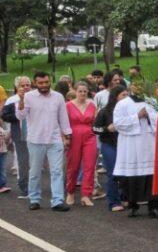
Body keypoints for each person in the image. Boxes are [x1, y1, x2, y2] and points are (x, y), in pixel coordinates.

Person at [18, 72, 72, 211]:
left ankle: (57, 201)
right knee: (35, 171)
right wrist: (21, 100)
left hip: (54, 140)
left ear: (50, 82)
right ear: (35, 83)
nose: (44, 85)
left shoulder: (58, 97)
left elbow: (63, 118)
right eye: (41, 83)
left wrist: (67, 135)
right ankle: (34, 199)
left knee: (57, 171)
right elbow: (21, 115)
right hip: (35, 139)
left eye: (46, 82)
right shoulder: (29, 96)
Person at [112, 80, 158, 217]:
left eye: (141, 85)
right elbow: (118, 123)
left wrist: (149, 116)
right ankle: (132, 206)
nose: (138, 88)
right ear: (131, 87)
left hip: (149, 143)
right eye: (136, 85)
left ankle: (154, 206)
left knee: (151, 175)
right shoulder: (122, 104)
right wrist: (137, 116)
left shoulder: (151, 101)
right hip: (131, 145)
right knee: (131, 175)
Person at [64, 80, 98, 207]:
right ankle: (70, 192)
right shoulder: (68, 105)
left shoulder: (92, 105)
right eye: (80, 91)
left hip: (90, 136)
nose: (83, 93)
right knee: (73, 166)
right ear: (75, 91)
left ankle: (86, 195)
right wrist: (65, 138)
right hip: (74, 136)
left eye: (85, 91)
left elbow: (95, 122)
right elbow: (63, 123)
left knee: (89, 166)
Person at [1, 76, 30, 198]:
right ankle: (23, 184)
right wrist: (18, 116)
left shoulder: (36, 97)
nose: (25, 87)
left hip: (36, 132)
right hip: (19, 132)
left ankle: (33, 184)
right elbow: (5, 116)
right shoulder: (12, 100)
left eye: (27, 85)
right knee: (22, 159)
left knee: (35, 160)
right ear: (17, 87)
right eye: (22, 85)